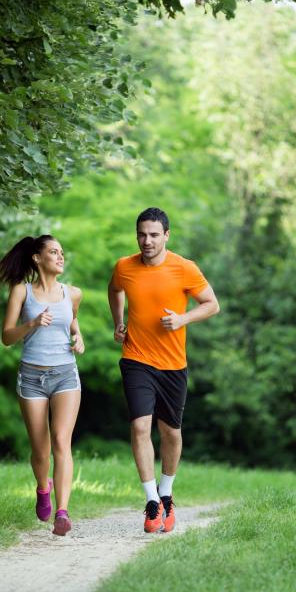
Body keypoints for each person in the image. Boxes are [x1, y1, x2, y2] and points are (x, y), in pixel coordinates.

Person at [108, 208, 219, 533]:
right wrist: (119, 322)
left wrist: (183, 319)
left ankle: (167, 492)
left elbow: (212, 304)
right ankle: (152, 501)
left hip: (173, 364)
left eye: (154, 234)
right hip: (136, 358)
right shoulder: (124, 267)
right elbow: (114, 289)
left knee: (171, 432)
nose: (147, 240)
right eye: (142, 234)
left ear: (166, 236)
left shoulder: (184, 268)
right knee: (141, 426)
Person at [0, 235, 85, 536]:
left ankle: (62, 512)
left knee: (62, 441)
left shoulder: (72, 293)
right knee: (40, 450)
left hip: (65, 374)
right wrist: (31, 324)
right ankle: (42, 488)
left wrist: (79, 336)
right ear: (37, 258)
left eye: (62, 252)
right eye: (53, 252)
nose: (60, 257)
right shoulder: (21, 291)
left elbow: (71, 320)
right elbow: (7, 337)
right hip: (32, 377)